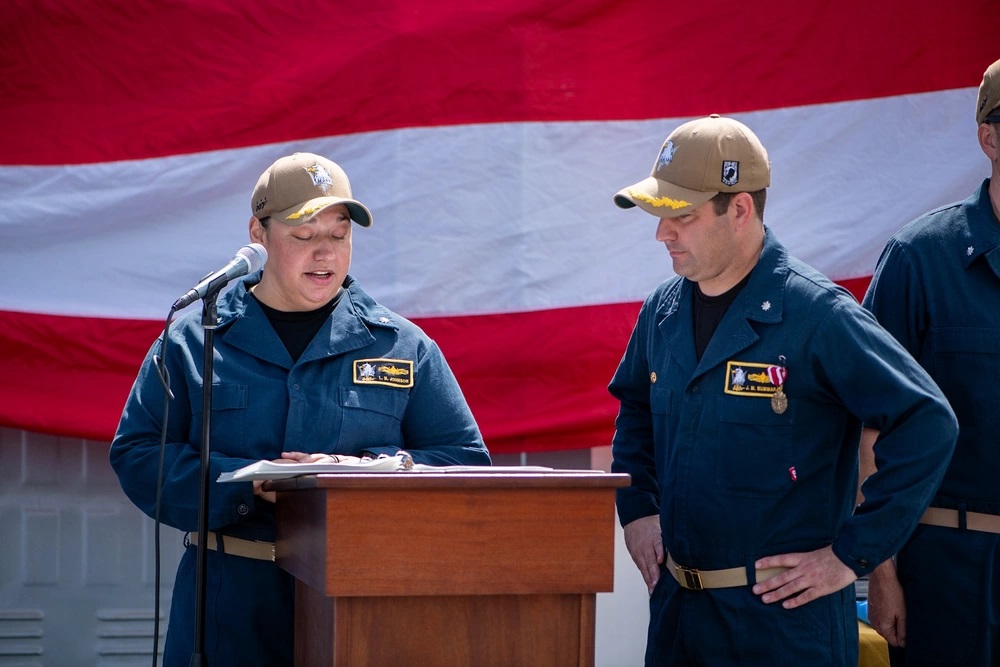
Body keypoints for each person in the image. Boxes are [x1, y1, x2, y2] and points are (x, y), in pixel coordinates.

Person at [110, 152, 491, 666]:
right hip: (228, 608)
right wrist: (247, 484)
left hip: (362, 610)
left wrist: (365, 470)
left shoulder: (402, 345)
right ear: (259, 234)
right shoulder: (194, 340)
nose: (325, 253)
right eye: (304, 235)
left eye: (339, 235)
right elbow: (138, 455)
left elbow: (465, 462)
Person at [608, 114, 958, 666]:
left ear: (739, 209)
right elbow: (635, 408)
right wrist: (637, 510)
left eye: (683, 216)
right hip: (679, 617)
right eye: (660, 216)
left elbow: (927, 422)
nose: (662, 234)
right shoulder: (663, 312)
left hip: (781, 628)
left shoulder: (816, 314)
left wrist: (852, 555)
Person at [860, 57, 1000, 667]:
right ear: (989, 138)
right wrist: (881, 570)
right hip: (948, 571)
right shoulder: (918, 259)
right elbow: (868, 427)